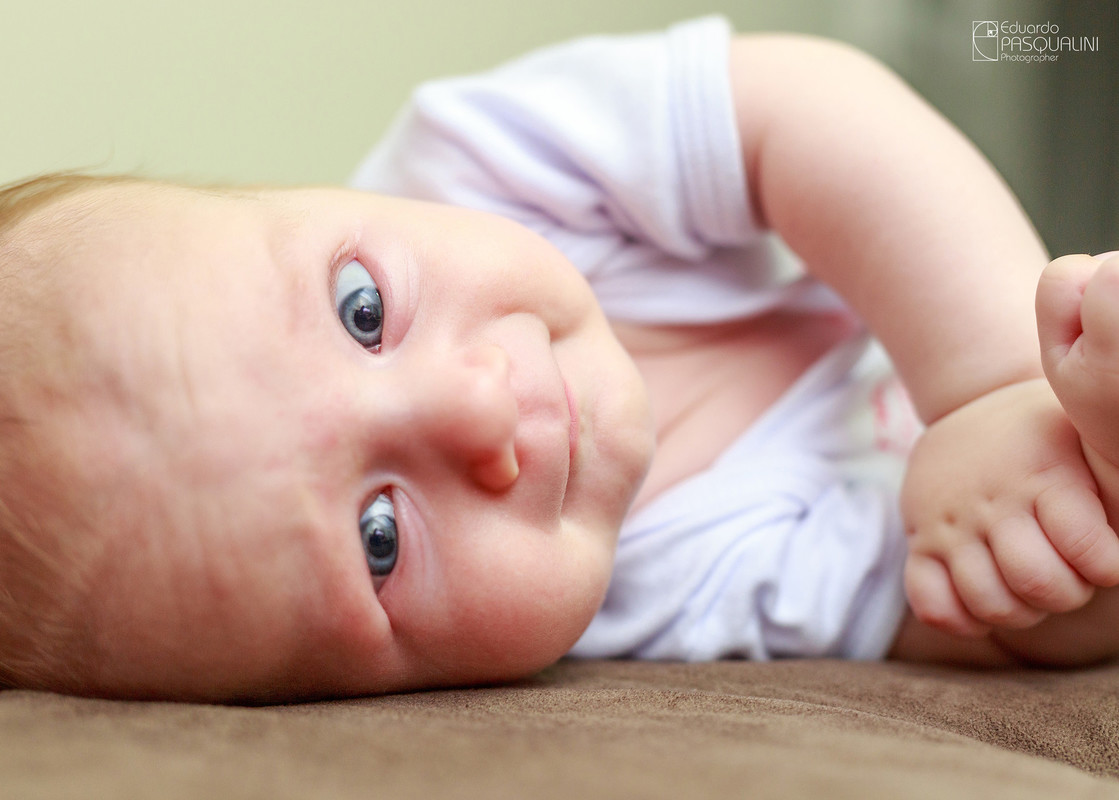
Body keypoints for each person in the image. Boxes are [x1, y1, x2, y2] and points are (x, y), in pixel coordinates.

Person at [0, 17, 1116, 703]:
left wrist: (989, 379)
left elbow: (800, 107)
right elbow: (1008, 627)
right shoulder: (658, 605)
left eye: (360, 308)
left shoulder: (482, 163)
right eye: (379, 536)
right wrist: (1064, 506)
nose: (475, 410)